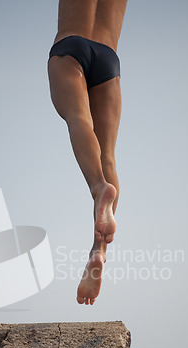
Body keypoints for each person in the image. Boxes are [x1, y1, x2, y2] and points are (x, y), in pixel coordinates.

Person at [48, 0, 128, 305]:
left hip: (71, 45)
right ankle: (99, 251)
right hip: (109, 58)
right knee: (108, 154)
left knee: (79, 119)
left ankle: (98, 188)